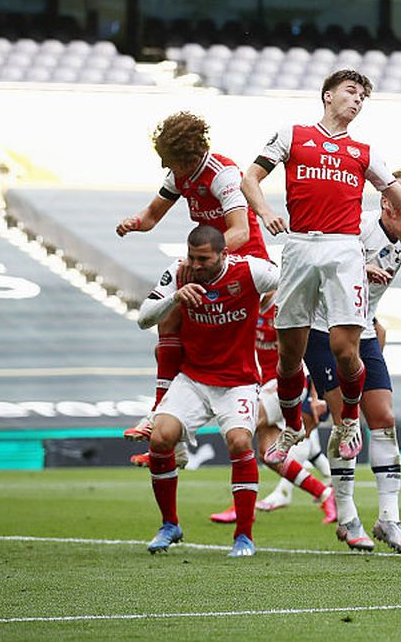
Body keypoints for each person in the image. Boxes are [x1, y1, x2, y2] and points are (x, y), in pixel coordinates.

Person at [242, 70, 401, 471]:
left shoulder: (364, 152)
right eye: (351, 92)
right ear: (328, 95)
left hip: (343, 249)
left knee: (346, 348)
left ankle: (346, 423)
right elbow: (250, 178)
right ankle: (292, 426)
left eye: (363, 97)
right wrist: (266, 211)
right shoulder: (293, 135)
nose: (357, 100)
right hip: (301, 244)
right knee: (289, 357)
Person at [116, 112, 269, 443]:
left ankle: (282, 412)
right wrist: (134, 222)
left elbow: (240, 232)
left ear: (191, 155)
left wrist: (200, 262)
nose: (164, 168)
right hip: (209, 263)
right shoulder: (180, 175)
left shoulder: (223, 175)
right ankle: (162, 416)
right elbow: (152, 216)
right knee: (168, 322)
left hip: (243, 265)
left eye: (169, 160)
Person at [303, 169, 401, 553]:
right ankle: (347, 517)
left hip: (364, 330)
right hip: (324, 329)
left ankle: (388, 519)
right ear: (385, 198)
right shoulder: (358, 226)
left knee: (384, 418)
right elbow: (322, 268)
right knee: (346, 423)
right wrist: (358, 269)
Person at [137, 225, 277, 558]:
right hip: (193, 379)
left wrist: (277, 301)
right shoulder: (179, 272)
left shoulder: (251, 271)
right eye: (192, 257)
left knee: (240, 441)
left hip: (238, 381)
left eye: (203, 259)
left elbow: (291, 279)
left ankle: (244, 536)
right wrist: (174, 297)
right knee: (160, 438)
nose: (196, 265)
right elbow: (144, 318)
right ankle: (169, 524)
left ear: (223, 255)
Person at [207, 297, 337, 526]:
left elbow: (315, 350)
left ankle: (241, 506)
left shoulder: (286, 305)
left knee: (241, 428)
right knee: (269, 454)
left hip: (285, 384)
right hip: (260, 385)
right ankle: (325, 494)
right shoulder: (243, 304)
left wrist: (316, 395)